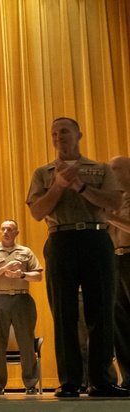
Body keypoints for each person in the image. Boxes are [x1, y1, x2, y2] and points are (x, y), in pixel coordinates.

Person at [27, 117, 127, 398]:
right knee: (64, 313)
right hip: (60, 239)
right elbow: (36, 212)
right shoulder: (42, 173)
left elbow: (114, 202)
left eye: (65, 131)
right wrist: (58, 185)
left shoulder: (101, 169)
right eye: (54, 133)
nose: (59, 137)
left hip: (95, 238)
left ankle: (102, 381)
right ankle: (69, 381)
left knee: (102, 312)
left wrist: (82, 187)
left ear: (79, 135)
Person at [0, 220, 43, 394]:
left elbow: (38, 276)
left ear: (16, 233)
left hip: (22, 299)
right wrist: (4, 269)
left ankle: (30, 384)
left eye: (10, 229)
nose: (6, 232)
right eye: (3, 229)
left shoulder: (25, 252)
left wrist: (20, 274)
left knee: (27, 342)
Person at [107, 156, 130, 384]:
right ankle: (129, 379)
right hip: (115, 261)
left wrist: (108, 217)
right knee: (119, 325)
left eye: (115, 168)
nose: (110, 172)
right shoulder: (112, 199)